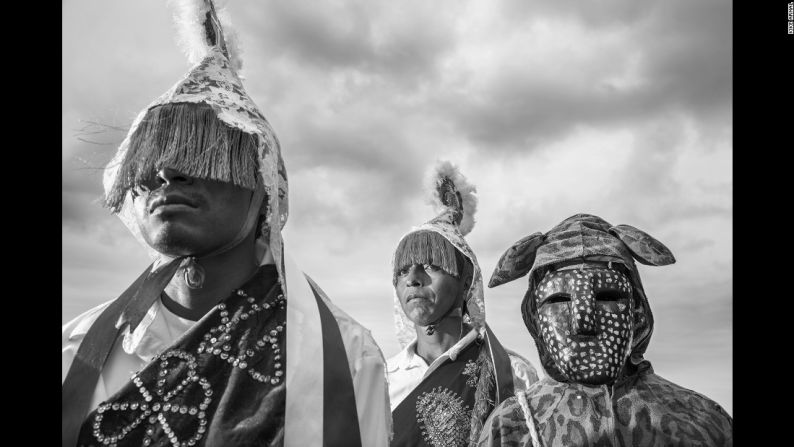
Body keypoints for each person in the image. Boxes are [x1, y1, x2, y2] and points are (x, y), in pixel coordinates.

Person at [61, 2, 390, 446]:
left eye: (201, 150)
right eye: (152, 156)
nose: (167, 173)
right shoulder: (76, 353)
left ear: (263, 190)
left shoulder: (343, 357)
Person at [477, 213, 733, 446]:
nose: (583, 322)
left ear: (638, 314)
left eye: (607, 297)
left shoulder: (703, 421)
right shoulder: (511, 428)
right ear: (535, 319)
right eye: (559, 300)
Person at [387, 161, 539, 447]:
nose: (413, 280)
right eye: (402, 272)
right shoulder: (381, 380)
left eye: (431, 266)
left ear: (465, 278)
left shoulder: (512, 374)